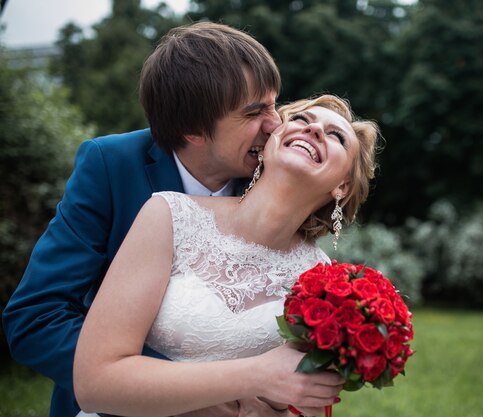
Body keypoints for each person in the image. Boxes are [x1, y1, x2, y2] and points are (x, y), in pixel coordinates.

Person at [2, 22, 287, 417]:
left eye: (275, 103)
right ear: (192, 129)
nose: (276, 125)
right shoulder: (110, 166)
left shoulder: (274, 176)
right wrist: (182, 396)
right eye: (255, 112)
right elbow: (36, 318)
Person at [72, 94, 381, 417]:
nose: (315, 129)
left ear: (343, 186)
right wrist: (255, 377)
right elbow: (94, 384)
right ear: (269, 142)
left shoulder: (326, 284)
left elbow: (301, 403)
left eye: (336, 136)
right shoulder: (169, 215)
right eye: (302, 120)